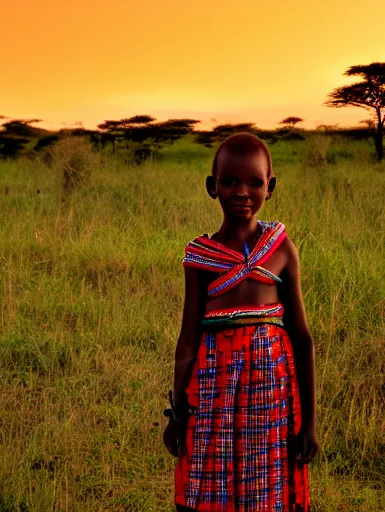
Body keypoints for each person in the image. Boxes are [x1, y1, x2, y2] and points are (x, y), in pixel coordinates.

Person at [163, 132, 318, 511]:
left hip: (272, 394)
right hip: (212, 389)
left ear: (271, 186)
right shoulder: (200, 257)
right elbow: (188, 340)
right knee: (209, 475)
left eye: (254, 182)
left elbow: (301, 338)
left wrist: (309, 422)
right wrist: (177, 413)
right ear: (211, 187)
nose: (241, 192)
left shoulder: (281, 249)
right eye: (229, 181)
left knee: (266, 481)